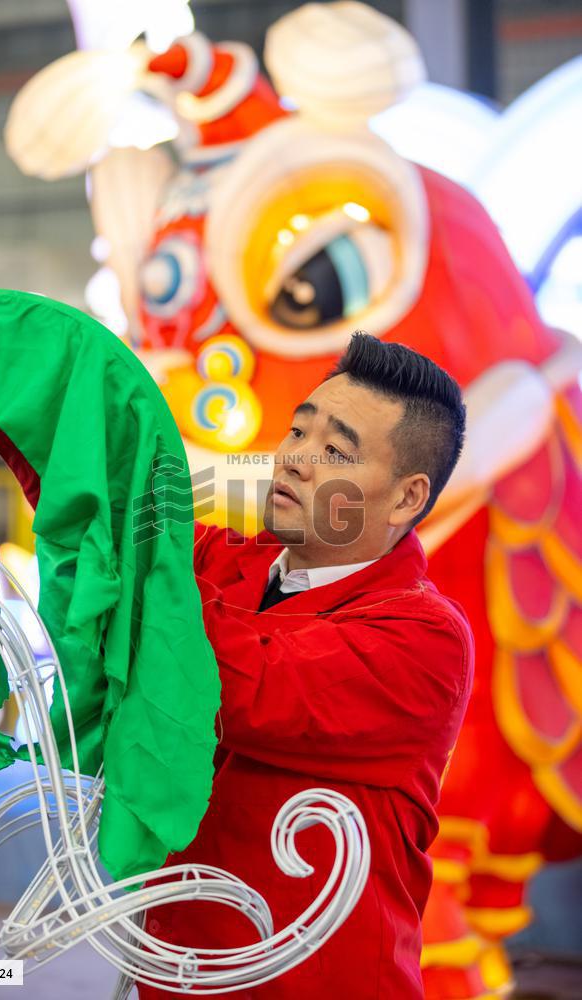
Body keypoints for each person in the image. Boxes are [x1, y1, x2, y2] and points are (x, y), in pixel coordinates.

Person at [137, 332, 474, 999]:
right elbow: (105, 510)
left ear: (407, 499)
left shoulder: (425, 640)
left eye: (333, 451)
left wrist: (139, 566)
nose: (292, 458)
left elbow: (235, 686)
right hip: (175, 973)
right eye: (297, 431)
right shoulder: (227, 566)